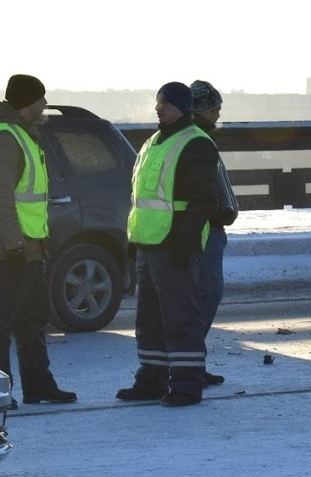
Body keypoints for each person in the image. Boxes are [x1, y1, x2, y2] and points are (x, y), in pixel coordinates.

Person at [115, 82, 219, 407]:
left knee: (180, 318)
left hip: (175, 245)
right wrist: (135, 240)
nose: (158, 108)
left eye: (165, 103)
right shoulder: (152, 143)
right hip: (148, 244)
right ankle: (151, 378)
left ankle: (186, 386)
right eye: (157, 102)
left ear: (181, 108)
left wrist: (184, 242)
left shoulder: (196, 144)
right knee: (149, 319)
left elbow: (204, 201)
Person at [0, 74, 77, 409]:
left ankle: (39, 387)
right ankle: (0, 394)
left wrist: (28, 245)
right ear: (27, 102)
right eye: (41, 99)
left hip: (29, 247)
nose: (45, 104)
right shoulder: (4, 137)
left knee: (33, 319)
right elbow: (0, 198)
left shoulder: (22, 134)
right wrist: (14, 245)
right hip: (10, 250)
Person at [190, 79, 239, 386]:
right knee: (206, 295)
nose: (219, 114)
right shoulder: (197, 140)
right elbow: (203, 189)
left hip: (208, 228)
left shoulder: (199, 137)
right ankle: (189, 364)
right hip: (205, 231)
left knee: (203, 296)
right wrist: (220, 211)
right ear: (204, 110)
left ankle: (192, 362)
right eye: (216, 108)